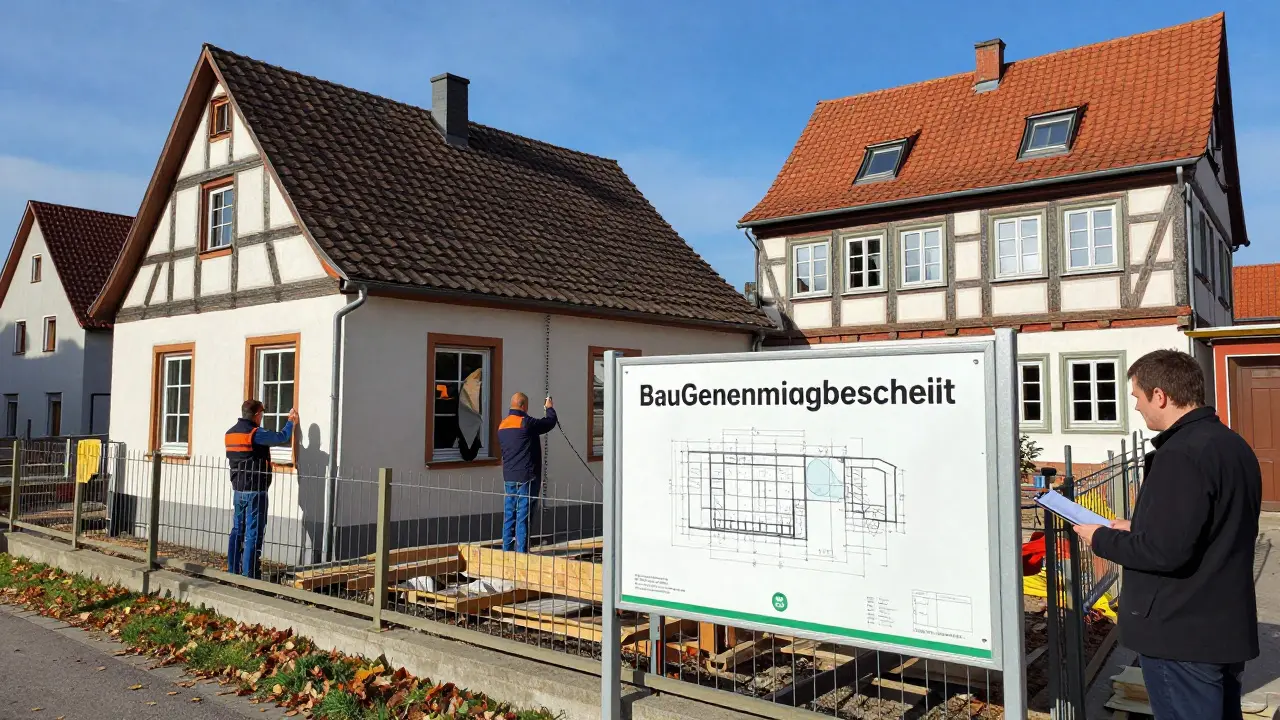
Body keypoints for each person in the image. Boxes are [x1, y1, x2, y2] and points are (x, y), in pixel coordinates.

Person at [1074, 349, 1261, 720]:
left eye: (1138, 398)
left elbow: (1164, 552)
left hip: (1182, 632)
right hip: (1220, 626)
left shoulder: (1181, 453)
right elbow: (1211, 525)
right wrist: (1138, 527)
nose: (1138, 408)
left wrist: (1100, 538)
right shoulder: (1230, 444)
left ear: (1160, 395)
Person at [225, 399, 298, 579]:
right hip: (255, 489)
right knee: (253, 532)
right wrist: (291, 422)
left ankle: (233, 571)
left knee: (237, 530)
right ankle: (249, 575)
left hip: (238, 488)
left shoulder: (230, 434)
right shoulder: (255, 433)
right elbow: (281, 437)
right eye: (262, 414)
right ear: (257, 415)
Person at [497, 392, 556, 553]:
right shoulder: (525, 422)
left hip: (509, 477)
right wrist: (549, 408)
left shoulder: (503, 425)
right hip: (526, 477)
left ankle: (506, 552)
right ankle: (522, 554)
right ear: (523, 406)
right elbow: (549, 423)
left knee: (510, 516)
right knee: (523, 516)